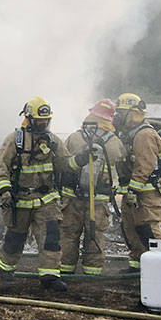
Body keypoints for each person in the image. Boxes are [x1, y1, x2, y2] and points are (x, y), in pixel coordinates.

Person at [0, 97, 71, 292]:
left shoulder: (53, 141)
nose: (43, 123)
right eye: (39, 120)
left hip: (47, 200)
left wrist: (81, 159)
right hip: (20, 200)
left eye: (46, 120)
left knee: (50, 238)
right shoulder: (14, 140)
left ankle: (50, 277)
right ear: (29, 118)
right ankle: (6, 269)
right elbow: (0, 166)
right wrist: (5, 190)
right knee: (15, 238)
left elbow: (65, 164)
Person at [60, 99, 127, 276]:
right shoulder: (115, 142)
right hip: (98, 202)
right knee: (95, 236)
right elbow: (121, 164)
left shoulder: (74, 138)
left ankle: (65, 271)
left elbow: (63, 164)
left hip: (72, 199)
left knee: (68, 235)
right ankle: (92, 275)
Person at [113, 92, 161, 269]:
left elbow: (144, 166)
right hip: (134, 195)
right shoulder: (127, 134)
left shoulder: (144, 135)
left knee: (149, 230)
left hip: (147, 194)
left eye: (121, 113)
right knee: (131, 230)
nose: (118, 117)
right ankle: (137, 267)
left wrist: (133, 190)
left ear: (133, 113)